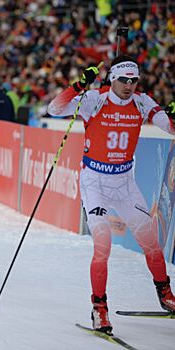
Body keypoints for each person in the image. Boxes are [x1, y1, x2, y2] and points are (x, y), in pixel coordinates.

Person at [47, 55, 175, 335]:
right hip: (95, 182)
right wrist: (78, 86)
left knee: (150, 241)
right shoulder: (96, 99)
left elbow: (168, 126)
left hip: (125, 182)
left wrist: (172, 116)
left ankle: (165, 294)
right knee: (102, 245)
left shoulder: (142, 102)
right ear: (112, 78)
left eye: (133, 80)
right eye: (123, 80)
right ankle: (99, 308)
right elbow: (55, 109)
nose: (128, 85)